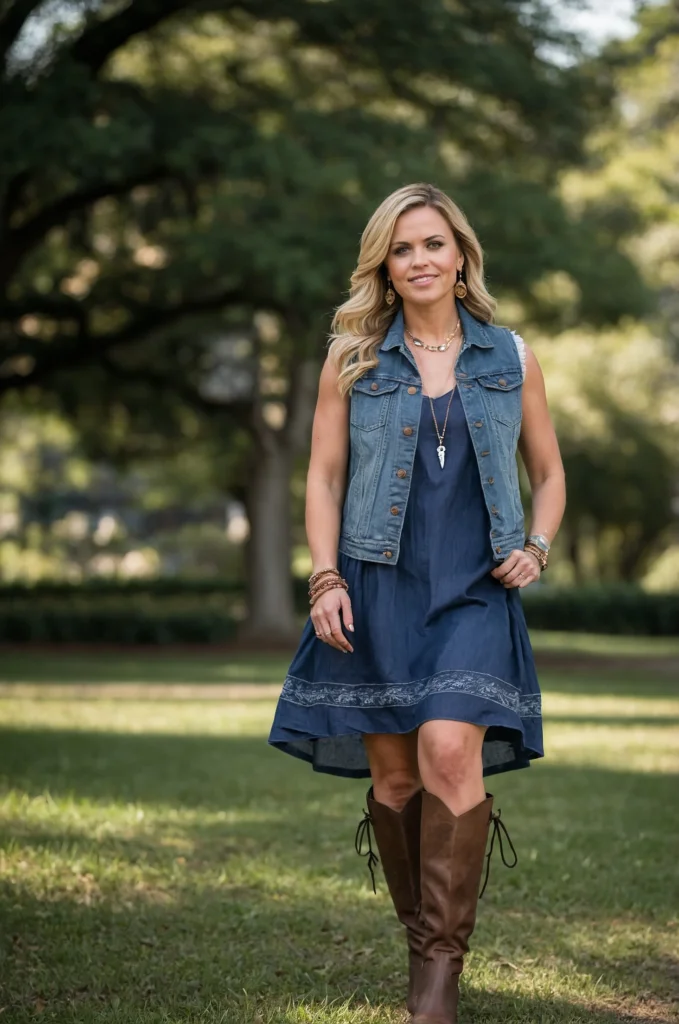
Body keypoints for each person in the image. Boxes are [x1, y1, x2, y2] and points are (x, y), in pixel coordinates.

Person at [268, 182, 566, 1024]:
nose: (420, 259)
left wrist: (535, 546)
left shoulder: (510, 356)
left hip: (473, 591)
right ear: (384, 268)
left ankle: (439, 969)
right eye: (402, 249)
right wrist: (323, 577)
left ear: (461, 255)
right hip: (373, 586)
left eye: (433, 243)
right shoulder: (352, 357)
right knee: (394, 779)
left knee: (444, 749)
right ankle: (420, 940)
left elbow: (548, 472)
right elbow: (323, 477)